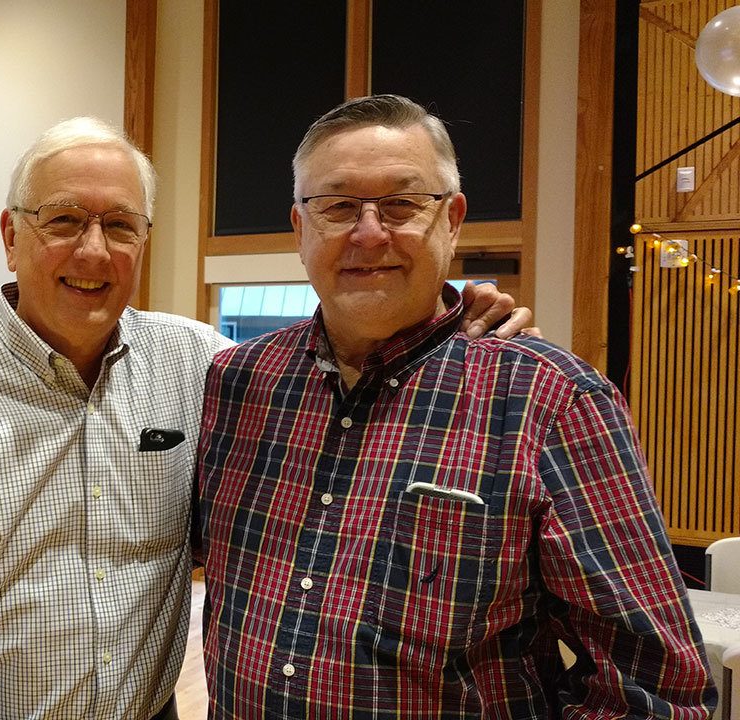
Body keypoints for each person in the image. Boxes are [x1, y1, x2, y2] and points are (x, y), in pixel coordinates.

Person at [0, 116, 531, 718]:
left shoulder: (203, 365)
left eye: (120, 225)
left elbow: (337, 368)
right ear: (10, 236)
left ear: (143, 242)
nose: (94, 251)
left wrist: (452, 324)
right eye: (63, 220)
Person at [194, 94, 716, 717]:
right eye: (336, 206)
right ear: (300, 227)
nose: (368, 232)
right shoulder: (237, 381)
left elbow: (655, 688)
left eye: (402, 204)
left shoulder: (551, 402)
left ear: (453, 218)